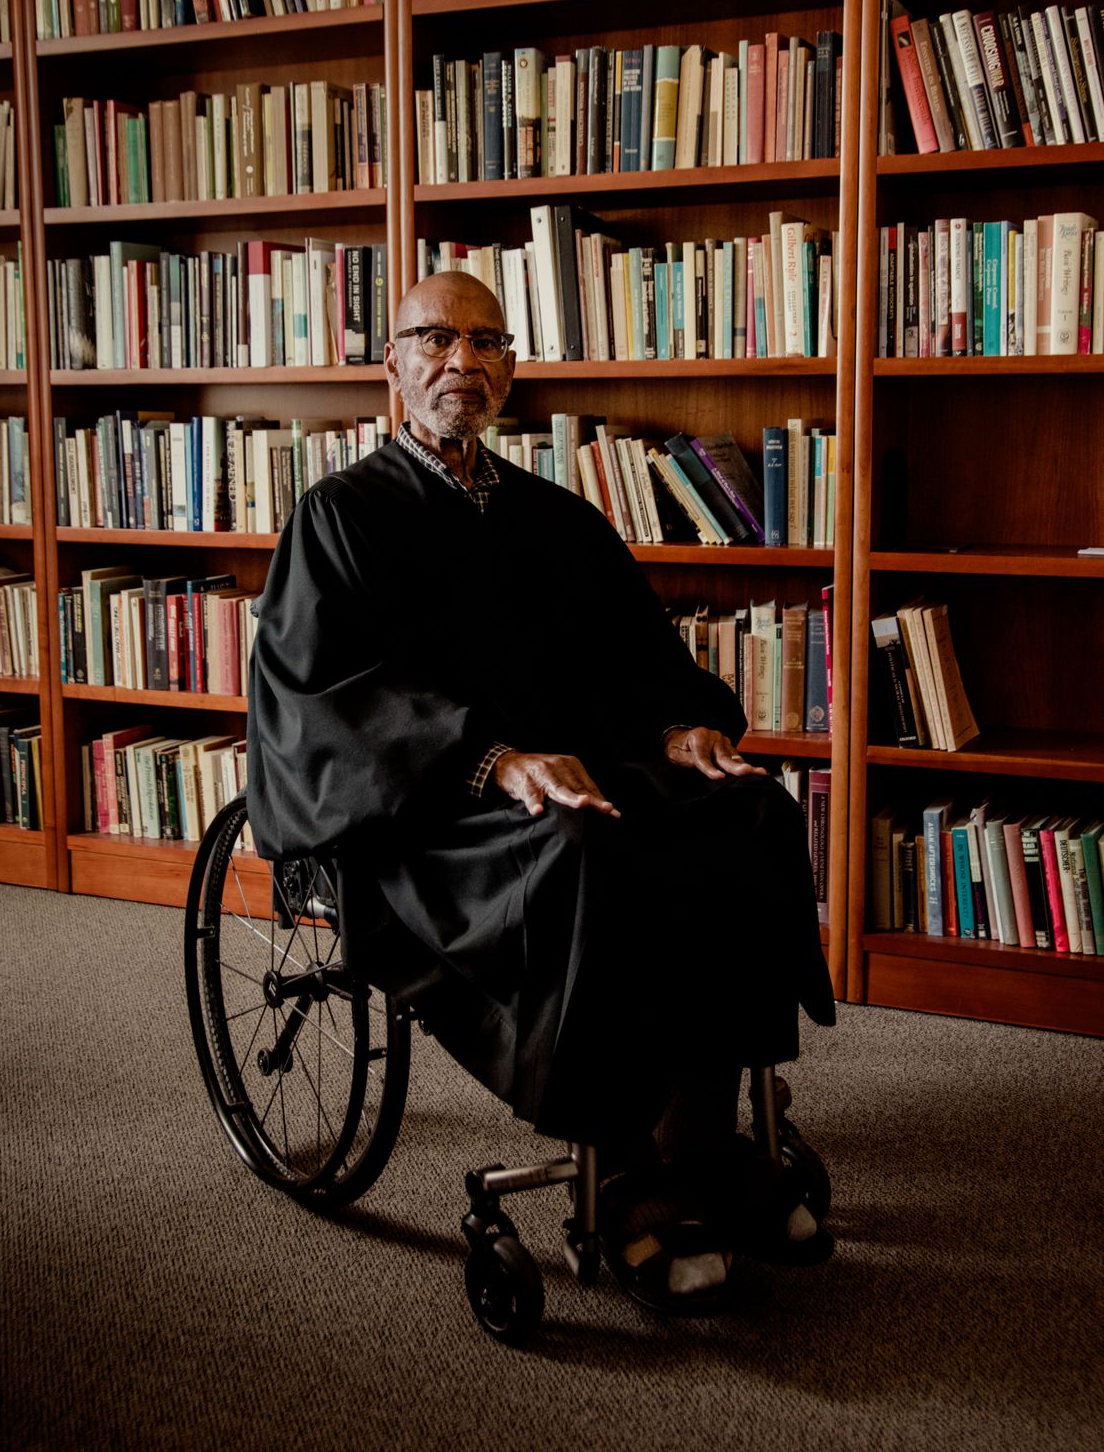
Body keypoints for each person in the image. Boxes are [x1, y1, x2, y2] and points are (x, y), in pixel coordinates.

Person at [247, 271, 836, 1313]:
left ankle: (704, 1130)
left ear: (511, 368)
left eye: (484, 342)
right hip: (428, 813)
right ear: (392, 364)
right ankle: (622, 1171)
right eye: (434, 339)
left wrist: (678, 726)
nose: (460, 363)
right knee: (584, 852)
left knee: (748, 812)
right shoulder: (340, 518)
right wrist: (489, 758)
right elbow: (332, 694)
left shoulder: (555, 517)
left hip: (574, 774)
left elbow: (631, 659)